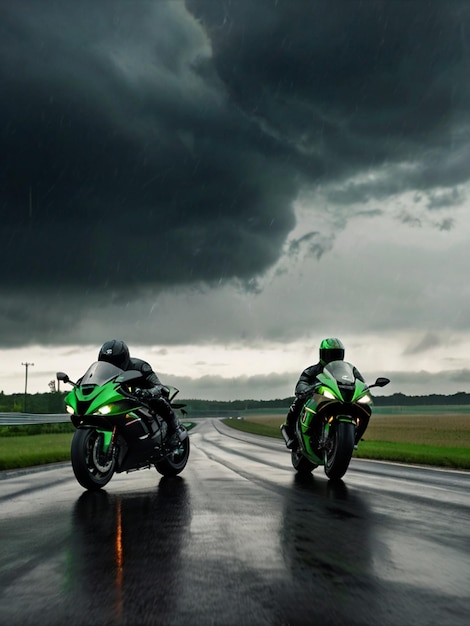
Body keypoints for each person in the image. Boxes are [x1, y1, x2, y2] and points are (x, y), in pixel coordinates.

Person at [98, 339, 185, 449]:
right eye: (107, 361)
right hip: (122, 399)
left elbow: (159, 386)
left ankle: (175, 430)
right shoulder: (103, 372)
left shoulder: (140, 366)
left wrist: (147, 392)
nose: (111, 364)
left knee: (158, 401)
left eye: (115, 360)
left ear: (124, 358)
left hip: (145, 398)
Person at [282, 337, 364, 449]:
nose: (334, 358)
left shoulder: (349, 370)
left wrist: (363, 389)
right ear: (323, 354)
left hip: (341, 398)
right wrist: (304, 389)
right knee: (298, 401)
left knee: (363, 406)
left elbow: (360, 381)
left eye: (337, 354)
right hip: (318, 398)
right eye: (331, 354)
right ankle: (289, 431)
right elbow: (303, 381)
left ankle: (353, 437)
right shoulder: (313, 370)